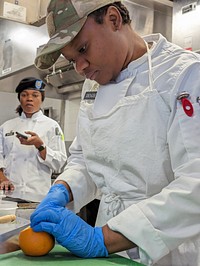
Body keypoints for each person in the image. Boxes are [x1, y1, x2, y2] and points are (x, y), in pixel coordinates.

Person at [30, 1, 200, 265]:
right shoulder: (93, 85)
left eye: (83, 49)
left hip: (167, 248)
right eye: (72, 59)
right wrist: (63, 189)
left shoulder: (185, 74)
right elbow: (87, 159)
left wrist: (102, 240)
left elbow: (196, 184)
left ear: (113, 19)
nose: (80, 67)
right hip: (105, 246)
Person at [0, 77, 67, 196]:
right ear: (19, 98)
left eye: (35, 95)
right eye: (24, 95)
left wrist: (40, 145)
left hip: (38, 194)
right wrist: (3, 179)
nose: (29, 99)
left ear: (41, 99)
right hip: (9, 194)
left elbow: (59, 163)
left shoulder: (52, 126)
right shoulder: (6, 126)